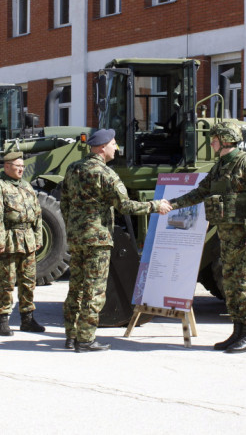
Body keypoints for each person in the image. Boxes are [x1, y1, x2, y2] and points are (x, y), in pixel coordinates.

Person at [61, 129, 171, 352]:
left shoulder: (73, 169)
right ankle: (85, 340)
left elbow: (64, 203)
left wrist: (74, 226)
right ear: (102, 148)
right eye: (113, 144)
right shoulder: (105, 174)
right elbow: (126, 206)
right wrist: (154, 206)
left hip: (76, 238)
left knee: (76, 288)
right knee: (94, 289)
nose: (116, 147)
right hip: (98, 240)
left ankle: (71, 336)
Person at [167, 121, 246, 354]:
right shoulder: (220, 166)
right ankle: (237, 332)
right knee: (232, 286)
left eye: (214, 139)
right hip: (228, 237)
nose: (211, 142)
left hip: (245, 237)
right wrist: (172, 204)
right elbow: (201, 191)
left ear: (224, 140)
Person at [0, 151, 45, 336]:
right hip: (8, 239)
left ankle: (27, 318)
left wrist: (38, 237)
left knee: (28, 281)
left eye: (22, 166)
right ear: (7, 166)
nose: (21, 169)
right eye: (17, 166)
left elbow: (38, 214)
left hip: (27, 239)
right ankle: (2, 320)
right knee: (6, 281)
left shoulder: (26, 186)